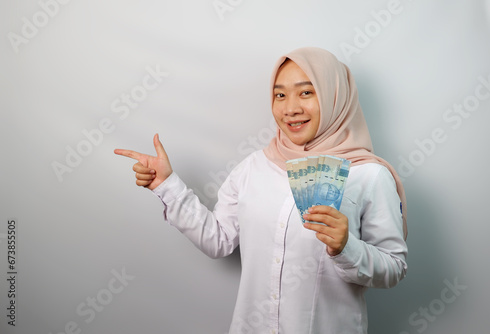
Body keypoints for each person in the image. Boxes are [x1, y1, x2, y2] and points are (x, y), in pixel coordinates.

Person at [114, 47, 408, 334]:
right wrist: (166, 184)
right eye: (280, 94)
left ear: (335, 97)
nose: (290, 108)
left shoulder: (369, 175)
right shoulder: (254, 167)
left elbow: (394, 267)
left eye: (306, 92)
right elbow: (217, 240)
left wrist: (347, 246)